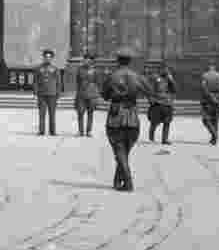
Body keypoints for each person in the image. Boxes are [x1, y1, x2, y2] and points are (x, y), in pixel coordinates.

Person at [101, 47, 151, 191]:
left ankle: (128, 181)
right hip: (132, 117)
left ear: (118, 60)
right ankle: (117, 180)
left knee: (119, 150)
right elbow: (149, 92)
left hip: (116, 117)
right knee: (123, 151)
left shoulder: (112, 76)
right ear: (130, 61)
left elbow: (104, 96)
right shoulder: (138, 77)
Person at [147, 62, 177, 144]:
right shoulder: (155, 78)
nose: (166, 71)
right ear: (160, 70)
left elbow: (174, 90)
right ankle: (151, 136)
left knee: (167, 122)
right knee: (154, 122)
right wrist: (151, 101)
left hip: (167, 103)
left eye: (167, 69)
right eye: (164, 69)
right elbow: (150, 90)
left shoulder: (169, 79)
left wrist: (171, 80)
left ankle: (165, 139)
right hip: (158, 103)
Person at [74, 52, 103, 137]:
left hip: (91, 95)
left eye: (88, 59)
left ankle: (89, 131)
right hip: (81, 94)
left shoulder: (95, 70)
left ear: (91, 61)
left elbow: (98, 83)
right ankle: (80, 131)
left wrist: (97, 95)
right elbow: (78, 82)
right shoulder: (79, 69)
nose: (86, 60)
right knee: (80, 113)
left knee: (90, 113)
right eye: (85, 59)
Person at [33, 48, 61, 136]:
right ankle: (41, 131)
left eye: (49, 57)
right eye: (46, 57)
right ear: (43, 58)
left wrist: (58, 93)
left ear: (52, 58)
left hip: (52, 94)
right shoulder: (38, 68)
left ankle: (52, 131)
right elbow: (35, 81)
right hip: (42, 94)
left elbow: (58, 82)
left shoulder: (55, 69)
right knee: (42, 113)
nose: (47, 59)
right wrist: (36, 91)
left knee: (52, 114)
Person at [200, 62, 219, 145]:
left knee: (205, 119)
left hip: (208, 101)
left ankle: (214, 135)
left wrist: (211, 97)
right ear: (214, 67)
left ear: (209, 67)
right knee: (215, 120)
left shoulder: (205, 76)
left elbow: (203, 88)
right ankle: (214, 140)